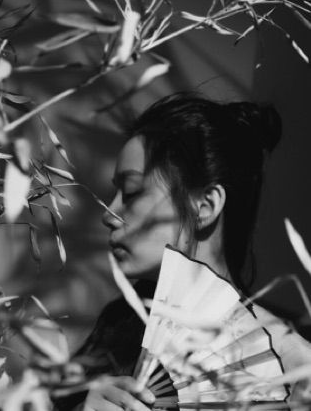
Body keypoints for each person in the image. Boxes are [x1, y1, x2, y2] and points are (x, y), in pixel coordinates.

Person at [56, 94, 311, 411]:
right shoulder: (117, 326)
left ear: (205, 206)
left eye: (132, 192)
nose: (110, 213)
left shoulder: (293, 364)